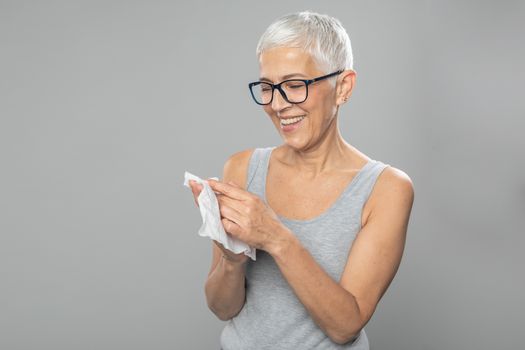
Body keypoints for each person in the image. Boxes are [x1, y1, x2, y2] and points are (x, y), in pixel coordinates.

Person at [188, 10, 414, 350]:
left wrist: (275, 237)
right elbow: (223, 308)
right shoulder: (241, 168)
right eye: (267, 87)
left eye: (295, 85)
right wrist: (232, 260)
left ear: (343, 86)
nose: (277, 105)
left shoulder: (386, 189)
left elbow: (345, 326)